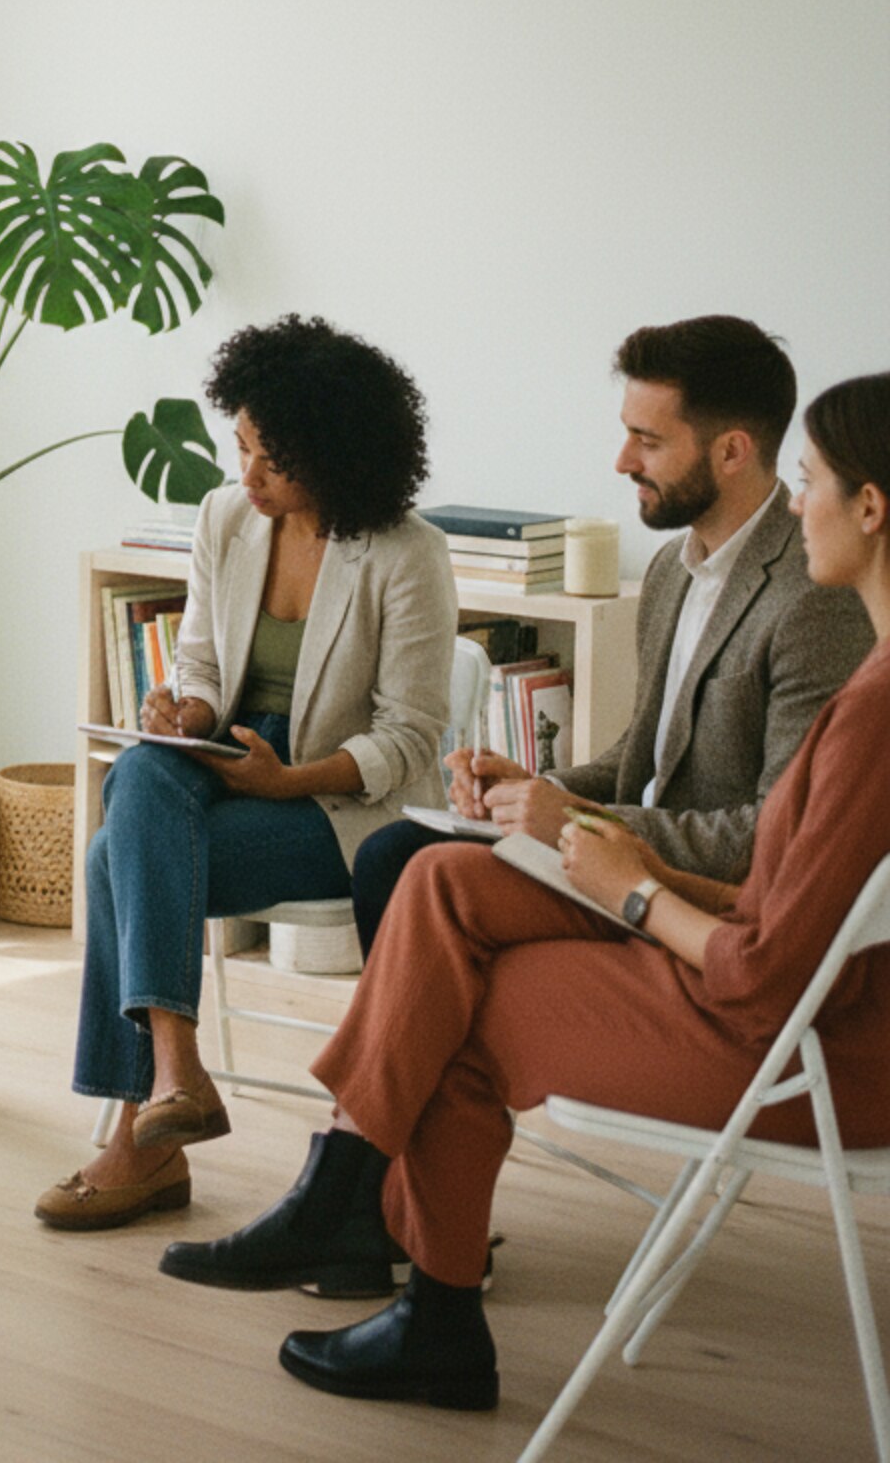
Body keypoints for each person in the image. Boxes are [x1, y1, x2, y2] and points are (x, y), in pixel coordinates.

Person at [158, 372, 890, 1413]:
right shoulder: (860, 675)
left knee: (455, 1013)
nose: (795, 499)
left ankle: (414, 1289)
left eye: (810, 480)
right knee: (442, 875)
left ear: (871, 508)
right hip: (785, 991)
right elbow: (785, 889)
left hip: (805, 1048)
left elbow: (767, 965)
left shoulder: (872, 711)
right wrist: (577, 825)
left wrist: (633, 891)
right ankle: (354, 1207)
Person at [36, 317, 455, 1231]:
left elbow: (411, 739)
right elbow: (199, 659)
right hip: (227, 755)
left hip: (341, 801)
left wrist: (289, 781)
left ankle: (144, 1141)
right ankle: (178, 1079)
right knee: (143, 773)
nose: (249, 476)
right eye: (242, 450)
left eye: (272, 459)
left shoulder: (406, 554)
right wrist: (185, 714)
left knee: (112, 861)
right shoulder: (227, 517)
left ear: (333, 456)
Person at [352, 315, 874, 955]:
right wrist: (536, 792)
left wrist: (574, 820)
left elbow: (774, 833)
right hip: (613, 854)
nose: (623, 461)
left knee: (410, 866)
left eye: (647, 441)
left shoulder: (815, 599)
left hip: (684, 893)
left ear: (731, 452)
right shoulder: (670, 569)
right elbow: (643, 757)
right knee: (396, 851)